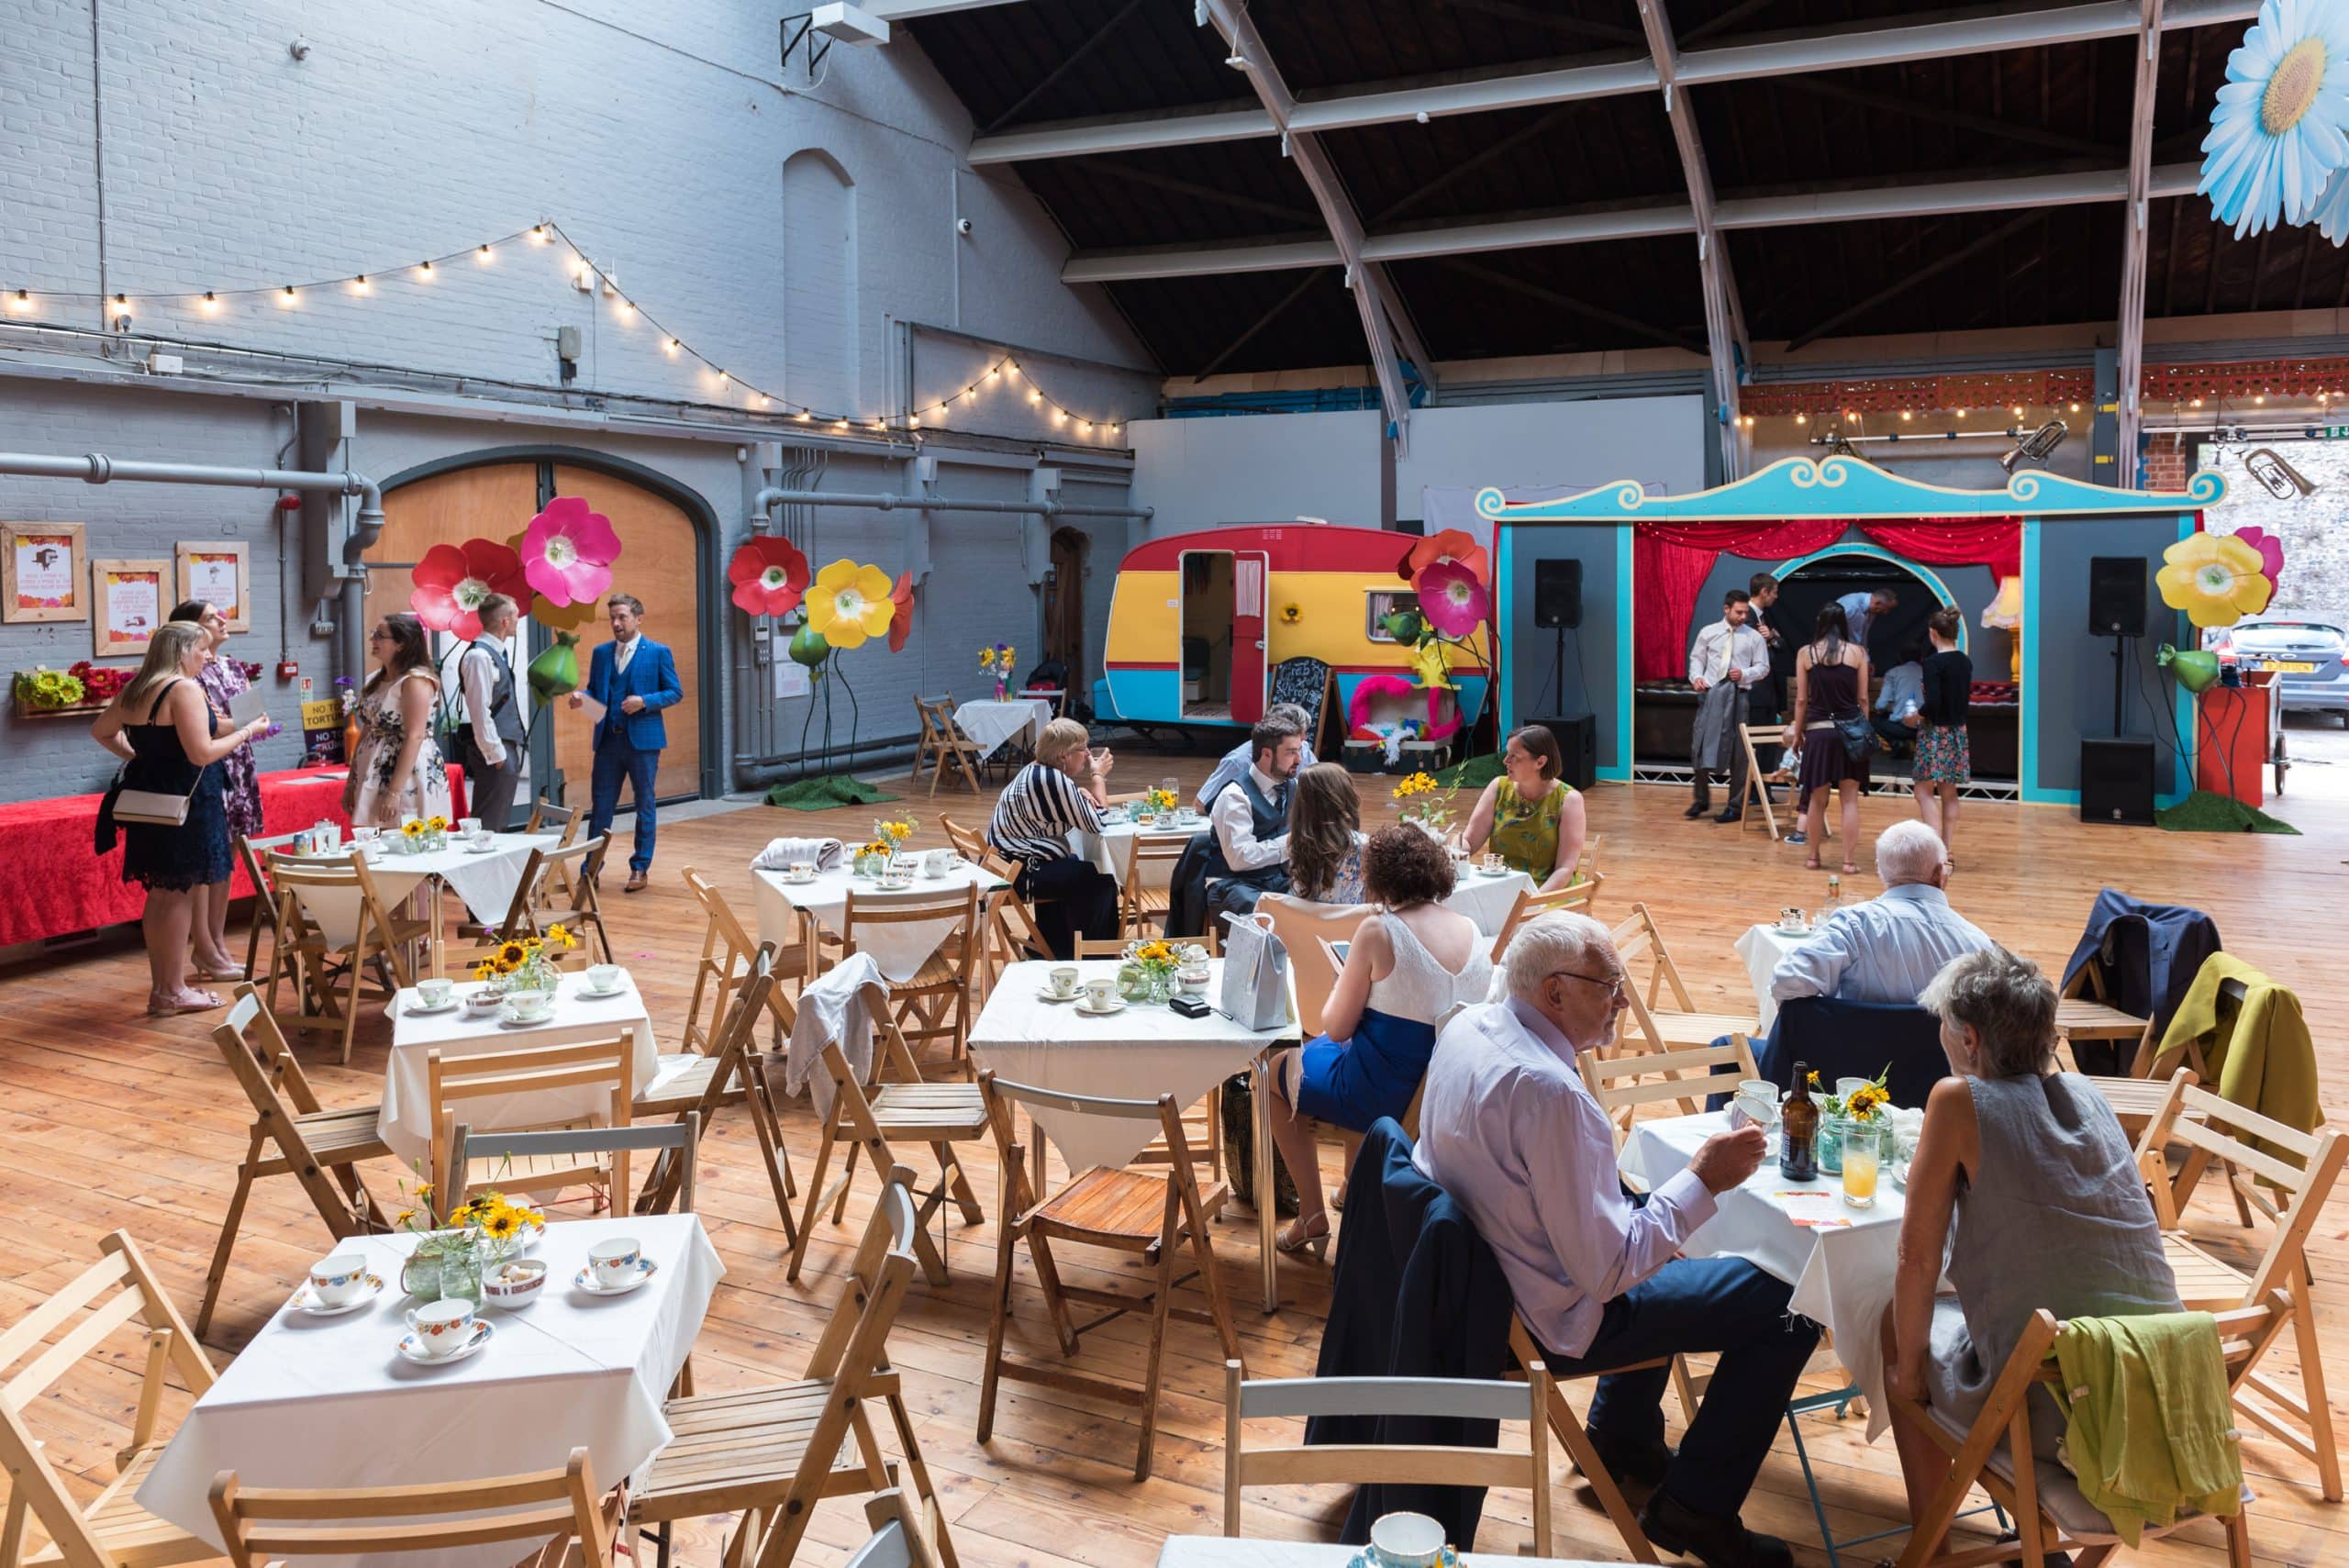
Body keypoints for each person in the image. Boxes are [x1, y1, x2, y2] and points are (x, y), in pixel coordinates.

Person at [1416, 913, 1820, 1568]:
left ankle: (1619, 1435)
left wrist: (1668, 1207)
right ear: (1554, 992)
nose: (1624, 1000)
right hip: (1550, 1319)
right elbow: (1609, 1271)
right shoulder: (1552, 1093)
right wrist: (1702, 1179)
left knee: (1653, 1214)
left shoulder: (1466, 1025)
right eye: (1610, 985)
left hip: (1482, 1292)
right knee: (1792, 1304)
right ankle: (1697, 1506)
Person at [1883, 947, 2179, 1557]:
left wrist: (1907, 1376)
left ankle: (1930, 1548)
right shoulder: (2089, 1096)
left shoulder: (1957, 1101)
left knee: (1896, 1326)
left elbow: (1915, 1257)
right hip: (2163, 1387)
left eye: (1942, 1025)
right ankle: (2031, 1543)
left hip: (2064, 1410)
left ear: (1969, 1038)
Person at [1267, 826, 1493, 1254]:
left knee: (1274, 1074)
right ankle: (1352, 1190)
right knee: (1353, 1049)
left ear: (1380, 877)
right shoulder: (1469, 926)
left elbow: (1334, 1026)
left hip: (1384, 1096)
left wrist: (1343, 981)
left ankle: (1312, 1215)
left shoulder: (1379, 930)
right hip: (1447, 1093)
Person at [92, 622, 272, 1016]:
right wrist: (246, 734)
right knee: (179, 895)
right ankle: (172, 991)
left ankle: (165, 989)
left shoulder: (137, 688)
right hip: (188, 802)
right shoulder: (183, 689)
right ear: (180, 651)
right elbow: (202, 753)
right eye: (202, 650)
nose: (208, 657)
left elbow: (102, 731)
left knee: (161, 894)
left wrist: (140, 758)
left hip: (149, 798)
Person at [1769, 821, 1993, 1006]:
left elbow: (1787, 981)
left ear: (1880, 870)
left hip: (1851, 1057)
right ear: (1940, 874)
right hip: (1940, 1060)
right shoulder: (1978, 944)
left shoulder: (1854, 925)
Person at [167, 599, 263, 981]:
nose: (222, 620)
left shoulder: (230, 665)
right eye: (210, 617)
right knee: (208, 860)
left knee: (228, 858)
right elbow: (212, 726)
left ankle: (217, 943)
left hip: (239, 764)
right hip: (208, 766)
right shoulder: (186, 674)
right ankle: (203, 946)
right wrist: (242, 724)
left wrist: (247, 723)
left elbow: (250, 714)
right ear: (190, 629)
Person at [570, 593, 681, 893]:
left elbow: (674, 692)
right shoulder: (601, 653)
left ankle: (640, 868)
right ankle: (591, 869)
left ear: (638, 618)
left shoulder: (658, 652)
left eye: (622, 617)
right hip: (608, 742)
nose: (616, 624)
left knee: (645, 804)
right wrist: (582, 700)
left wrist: (645, 701)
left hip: (643, 743)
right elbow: (596, 693)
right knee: (601, 807)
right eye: (613, 618)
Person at [985, 717, 1119, 958]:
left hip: (1008, 867)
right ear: (1063, 756)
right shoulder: (1053, 779)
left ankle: (1052, 951)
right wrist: (1098, 776)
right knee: (1102, 882)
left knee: (1076, 868)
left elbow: (1071, 811)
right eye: (1082, 748)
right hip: (1020, 875)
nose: (1088, 754)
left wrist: (1079, 795)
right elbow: (1097, 823)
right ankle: (1097, 958)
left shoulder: (1037, 771)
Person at [1784, 604, 1870, 872]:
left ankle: (1813, 857)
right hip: (1850, 734)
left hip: (1818, 732)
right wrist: (1863, 729)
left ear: (1819, 623)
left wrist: (1798, 734)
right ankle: (1848, 862)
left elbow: (1800, 700)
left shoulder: (1805, 654)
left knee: (1817, 798)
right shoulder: (1858, 653)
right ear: (1844, 622)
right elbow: (1863, 698)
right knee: (1849, 800)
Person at [346, 613, 453, 828]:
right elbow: (368, 728)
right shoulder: (375, 679)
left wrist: (394, 791)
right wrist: (351, 781)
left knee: (407, 834)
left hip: (405, 771)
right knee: (373, 838)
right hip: (373, 768)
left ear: (400, 644)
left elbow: (415, 735)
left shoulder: (416, 680)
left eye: (379, 635)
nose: (372, 640)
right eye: (373, 634)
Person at [1202, 715, 1303, 921]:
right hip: (1234, 885)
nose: (1299, 760)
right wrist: (1290, 843)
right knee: (1272, 917)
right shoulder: (1234, 796)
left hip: (1278, 881)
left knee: (1318, 903)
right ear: (1267, 754)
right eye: (1291, 753)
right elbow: (1240, 858)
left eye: (1298, 751)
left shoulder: (1294, 787)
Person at [1460, 724, 1586, 890]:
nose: (1506, 761)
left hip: (1548, 891)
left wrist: (1533, 901)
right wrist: (1456, 847)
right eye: (1507, 754)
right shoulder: (1498, 787)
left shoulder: (1569, 800)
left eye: (1514, 756)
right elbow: (1469, 841)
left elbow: (1565, 869)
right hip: (1501, 885)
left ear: (1540, 762)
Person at [1685, 588, 1770, 823]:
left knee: (1739, 755)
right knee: (1699, 747)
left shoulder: (1753, 637)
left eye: (1745, 612)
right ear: (1726, 609)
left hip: (1739, 696)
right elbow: (1697, 659)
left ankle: (1734, 806)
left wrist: (1743, 673)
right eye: (1739, 612)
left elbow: (1763, 667)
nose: (1743, 616)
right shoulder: (1708, 632)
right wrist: (1697, 678)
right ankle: (1701, 799)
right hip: (1711, 696)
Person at [452, 593, 527, 831]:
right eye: (516, 615)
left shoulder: (493, 653)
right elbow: (479, 710)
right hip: (494, 748)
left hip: (503, 743)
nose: (518, 620)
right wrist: (495, 753)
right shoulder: (478, 656)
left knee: (498, 816)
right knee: (489, 820)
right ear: (505, 621)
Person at [1909, 607, 1973, 864]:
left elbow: (1933, 702)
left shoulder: (1934, 663)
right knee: (1949, 791)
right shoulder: (1964, 661)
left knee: (1923, 791)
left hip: (1936, 734)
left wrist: (1917, 717)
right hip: (1958, 732)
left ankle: (1936, 852)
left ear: (1933, 634)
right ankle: (1946, 848)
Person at [1195, 703, 1317, 811]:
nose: (1305, 738)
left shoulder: (1303, 748)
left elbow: (1318, 789)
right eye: (1300, 733)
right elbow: (1201, 804)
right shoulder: (1238, 762)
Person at [1285, 762, 1366, 906]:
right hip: (1349, 924)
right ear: (1345, 796)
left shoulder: (1294, 840)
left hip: (1305, 922)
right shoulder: (1363, 845)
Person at [1870, 639, 1927, 789]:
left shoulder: (1893, 673)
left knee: (1876, 721)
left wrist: (1894, 707)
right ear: (1921, 658)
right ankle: (1918, 748)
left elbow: (1880, 706)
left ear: (1900, 658)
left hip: (1899, 727)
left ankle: (1897, 743)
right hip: (1924, 728)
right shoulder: (1929, 672)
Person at [1836, 586, 1898, 659]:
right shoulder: (1851, 606)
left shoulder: (1871, 610)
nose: (1886, 613)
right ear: (1877, 603)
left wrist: (1866, 659)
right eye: (1886, 609)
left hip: (1852, 653)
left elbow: (1863, 635)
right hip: (1837, 653)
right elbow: (1829, 627)